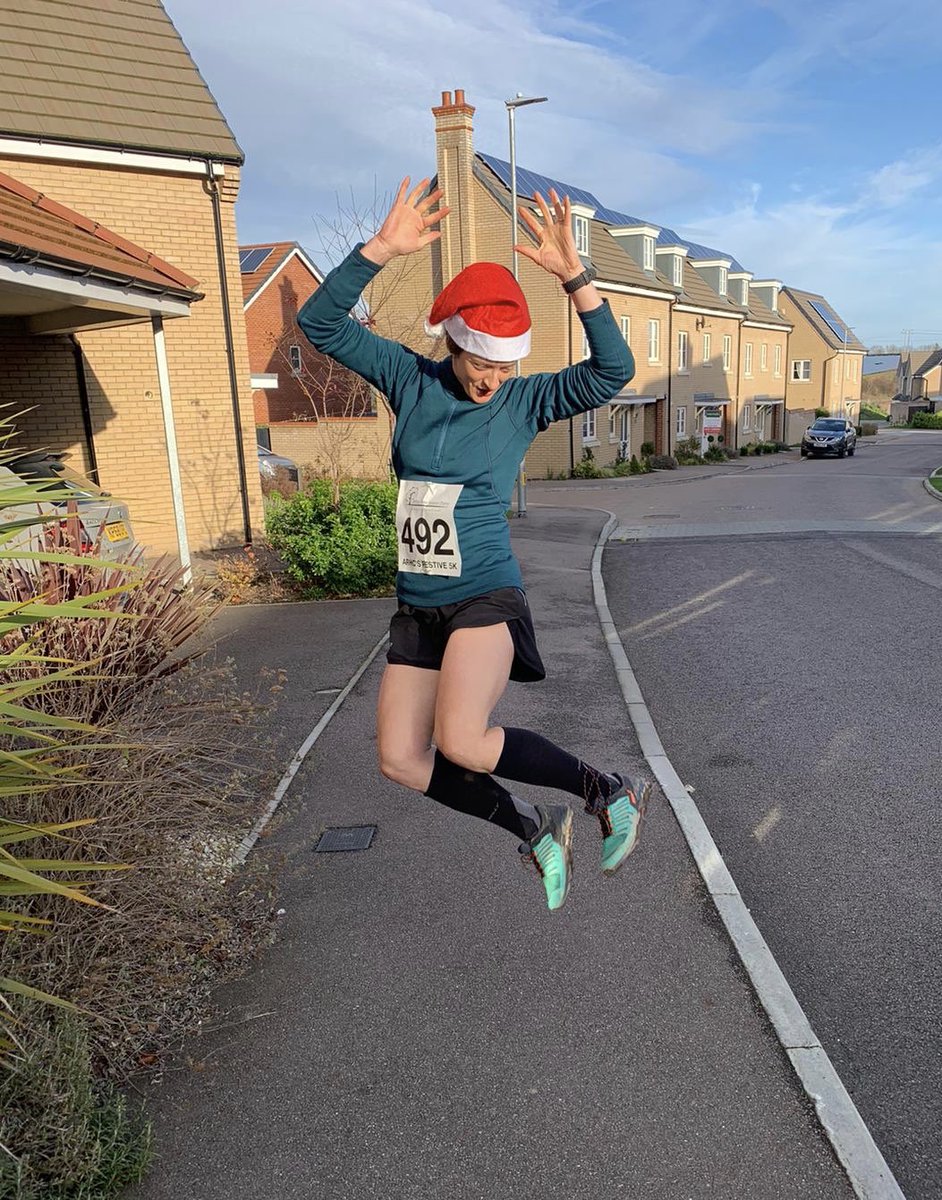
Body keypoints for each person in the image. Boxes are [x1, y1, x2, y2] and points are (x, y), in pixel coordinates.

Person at [297, 176, 650, 911]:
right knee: (400, 758)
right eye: (481, 361)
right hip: (418, 604)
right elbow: (320, 323)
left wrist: (577, 279)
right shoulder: (410, 380)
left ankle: (606, 790)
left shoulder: (524, 399)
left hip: (484, 594)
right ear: (454, 342)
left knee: (461, 739)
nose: (491, 378)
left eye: (503, 363)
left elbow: (614, 371)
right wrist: (378, 250)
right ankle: (532, 827)